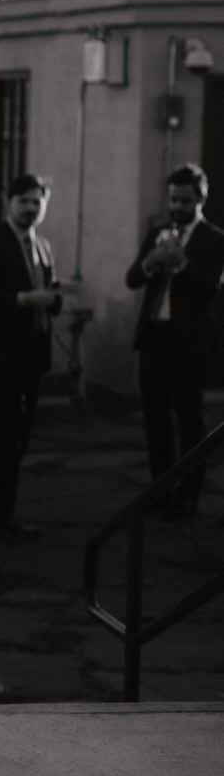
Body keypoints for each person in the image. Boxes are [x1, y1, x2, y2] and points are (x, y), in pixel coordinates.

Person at [126, 163, 224, 519]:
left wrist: (182, 263)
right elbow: (132, 279)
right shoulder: (157, 232)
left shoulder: (214, 239)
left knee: (189, 420)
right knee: (155, 420)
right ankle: (159, 491)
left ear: (200, 200)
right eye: (173, 200)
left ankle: (189, 494)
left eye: (185, 201)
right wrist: (151, 262)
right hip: (154, 337)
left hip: (188, 341)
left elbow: (211, 288)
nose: (177, 207)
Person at [0, 174, 61, 546]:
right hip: (2, 355)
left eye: (36, 202)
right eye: (23, 201)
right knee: (4, 438)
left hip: (33, 354)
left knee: (20, 439)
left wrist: (52, 300)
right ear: (9, 203)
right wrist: (24, 300)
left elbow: (51, 291)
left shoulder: (41, 245)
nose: (30, 208)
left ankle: (3, 515)